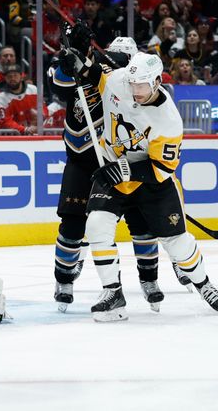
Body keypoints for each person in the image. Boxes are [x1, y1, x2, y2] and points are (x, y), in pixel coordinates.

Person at [65, 47, 218, 321]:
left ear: (157, 82)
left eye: (141, 85)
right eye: (132, 84)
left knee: (177, 243)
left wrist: (123, 169)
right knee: (95, 225)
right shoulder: (119, 81)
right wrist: (78, 63)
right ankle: (112, 292)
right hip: (112, 170)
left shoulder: (169, 121)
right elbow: (94, 75)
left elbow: (161, 168)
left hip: (151, 181)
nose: (135, 91)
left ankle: (203, 282)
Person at [50, 31, 196, 314]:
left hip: (122, 162)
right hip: (82, 159)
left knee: (143, 225)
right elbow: (60, 85)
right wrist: (71, 56)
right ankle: (64, 280)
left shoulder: (134, 86)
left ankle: (150, 280)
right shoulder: (99, 72)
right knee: (72, 225)